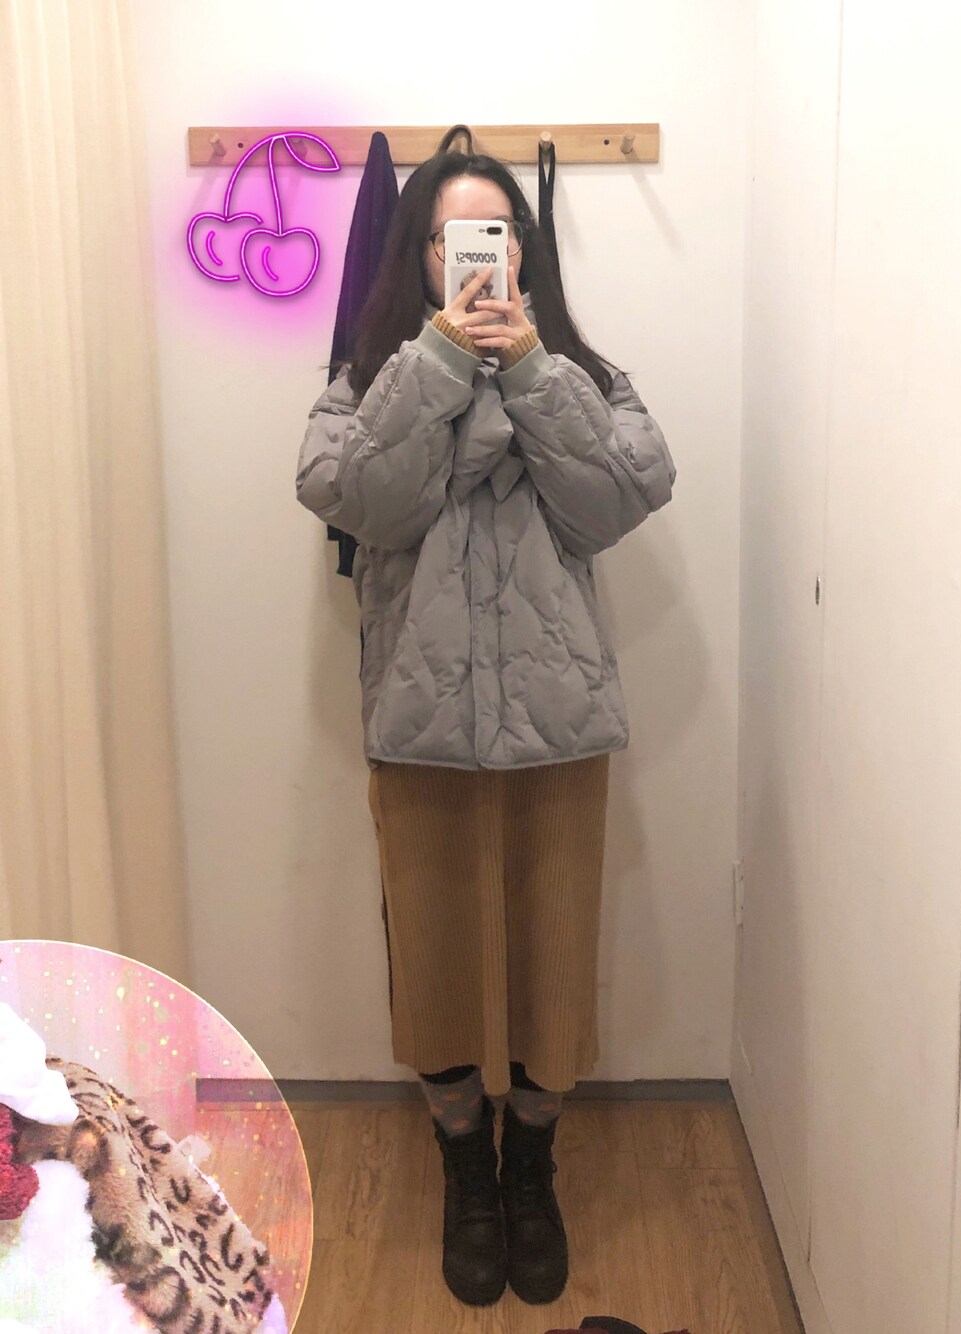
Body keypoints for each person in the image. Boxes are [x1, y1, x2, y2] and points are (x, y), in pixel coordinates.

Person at [295, 128, 676, 1309]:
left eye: (495, 234)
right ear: (417, 254)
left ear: (522, 251)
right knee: (439, 961)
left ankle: (532, 1168)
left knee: (553, 953)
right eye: (451, 237)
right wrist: (442, 364)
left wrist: (531, 370)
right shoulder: (372, 376)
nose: (474, 255)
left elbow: (619, 497)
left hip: (558, 724)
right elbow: (356, 499)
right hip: (422, 728)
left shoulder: (581, 371)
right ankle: (467, 1167)